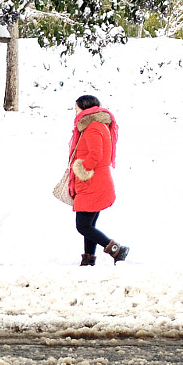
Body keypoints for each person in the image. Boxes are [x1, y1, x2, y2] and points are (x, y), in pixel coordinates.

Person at [68, 94, 129, 265]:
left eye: (76, 108)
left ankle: (117, 250)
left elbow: (96, 154)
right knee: (89, 225)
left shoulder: (92, 127)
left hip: (92, 182)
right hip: (96, 181)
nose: (75, 112)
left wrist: (82, 168)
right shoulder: (97, 125)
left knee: (83, 225)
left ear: (84, 108)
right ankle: (88, 259)